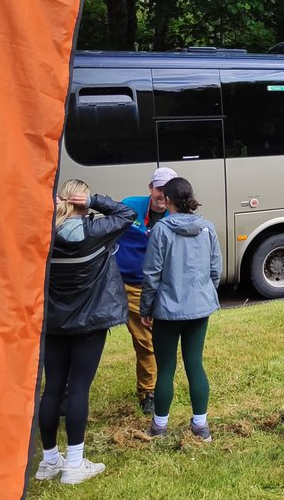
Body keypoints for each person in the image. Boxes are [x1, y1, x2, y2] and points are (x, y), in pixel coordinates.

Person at [36, 180, 135, 485]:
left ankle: (49, 461)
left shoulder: (43, 232)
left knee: (52, 388)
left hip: (53, 323)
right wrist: (96, 200)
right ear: (82, 201)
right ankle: (75, 464)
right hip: (89, 322)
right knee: (78, 387)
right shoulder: (96, 232)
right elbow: (127, 213)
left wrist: (48, 206)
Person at [139, 177, 222, 440]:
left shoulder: (161, 230)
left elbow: (151, 273)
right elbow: (215, 270)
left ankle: (159, 427)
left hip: (167, 309)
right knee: (195, 365)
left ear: (168, 201)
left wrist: (146, 308)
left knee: (166, 368)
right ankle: (200, 425)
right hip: (199, 308)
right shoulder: (208, 228)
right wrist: (205, 295)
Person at [115, 166, 178, 415]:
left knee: (158, 340)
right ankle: (147, 392)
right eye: (159, 188)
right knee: (144, 342)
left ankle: (157, 387)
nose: (163, 195)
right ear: (150, 188)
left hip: (163, 289)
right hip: (131, 287)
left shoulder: (177, 217)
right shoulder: (131, 206)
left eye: (168, 190)